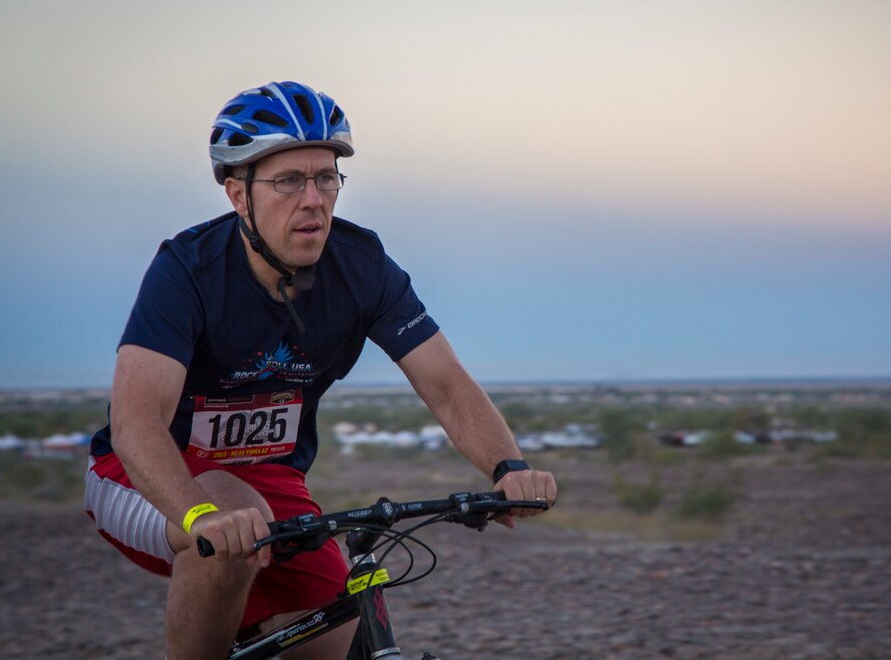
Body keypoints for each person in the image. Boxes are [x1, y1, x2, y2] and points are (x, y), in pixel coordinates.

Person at [83, 81, 557, 660]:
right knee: (234, 523)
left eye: (325, 178)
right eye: (288, 181)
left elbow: (448, 386)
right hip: (142, 478)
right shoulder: (186, 271)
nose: (313, 199)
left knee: (339, 644)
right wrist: (199, 513)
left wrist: (508, 467)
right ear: (238, 196)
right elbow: (136, 424)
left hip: (273, 485)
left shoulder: (364, 268)